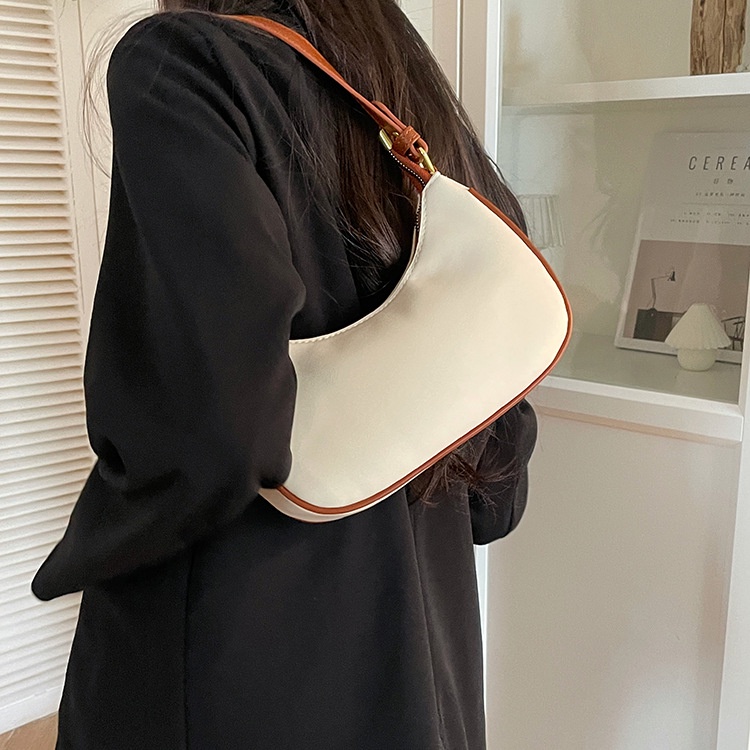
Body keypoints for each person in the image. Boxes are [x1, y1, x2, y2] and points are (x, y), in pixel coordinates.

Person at [31, 2, 538, 748]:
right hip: (427, 673)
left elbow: (217, 436)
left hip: (231, 665)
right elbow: (498, 492)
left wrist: (87, 550)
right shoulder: (415, 108)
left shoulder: (185, 60)